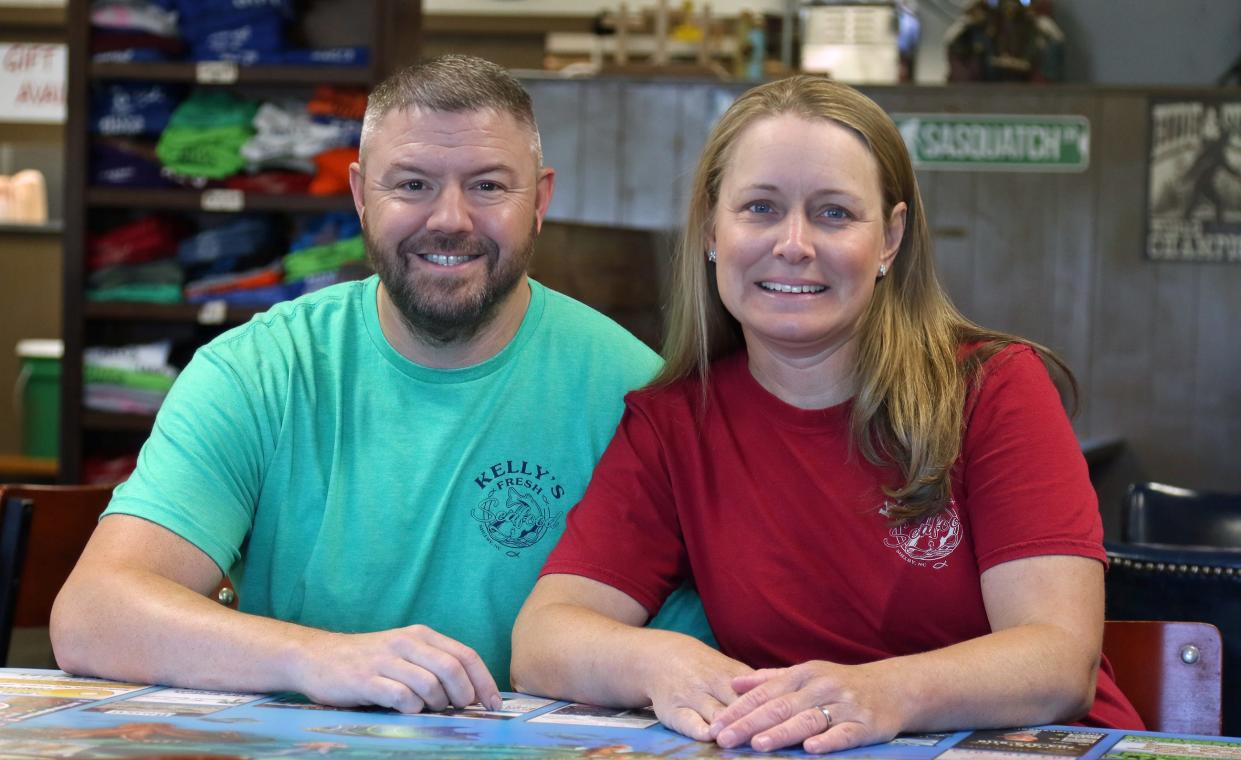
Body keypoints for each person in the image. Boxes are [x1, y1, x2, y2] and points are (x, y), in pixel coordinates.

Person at [50, 54, 708, 713]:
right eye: (413, 185)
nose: (449, 218)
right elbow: (92, 614)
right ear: (362, 195)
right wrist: (316, 656)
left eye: (486, 186)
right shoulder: (260, 369)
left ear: (538, 200)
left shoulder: (636, 394)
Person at [510, 74, 1143, 754]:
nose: (793, 243)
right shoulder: (675, 422)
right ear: (709, 231)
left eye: (834, 213)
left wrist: (882, 692)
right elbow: (543, 641)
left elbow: (1058, 660)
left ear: (890, 239)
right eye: (758, 207)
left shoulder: (993, 387)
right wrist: (661, 664)